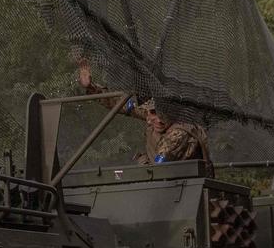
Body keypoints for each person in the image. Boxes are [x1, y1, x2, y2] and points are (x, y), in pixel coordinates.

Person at [77, 61, 212, 170]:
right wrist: (91, 87)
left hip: (185, 185)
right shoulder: (151, 114)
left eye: (163, 113)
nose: (159, 120)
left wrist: (143, 163)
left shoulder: (180, 130)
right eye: (153, 113)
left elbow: (160, 161)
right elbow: (120, 104)